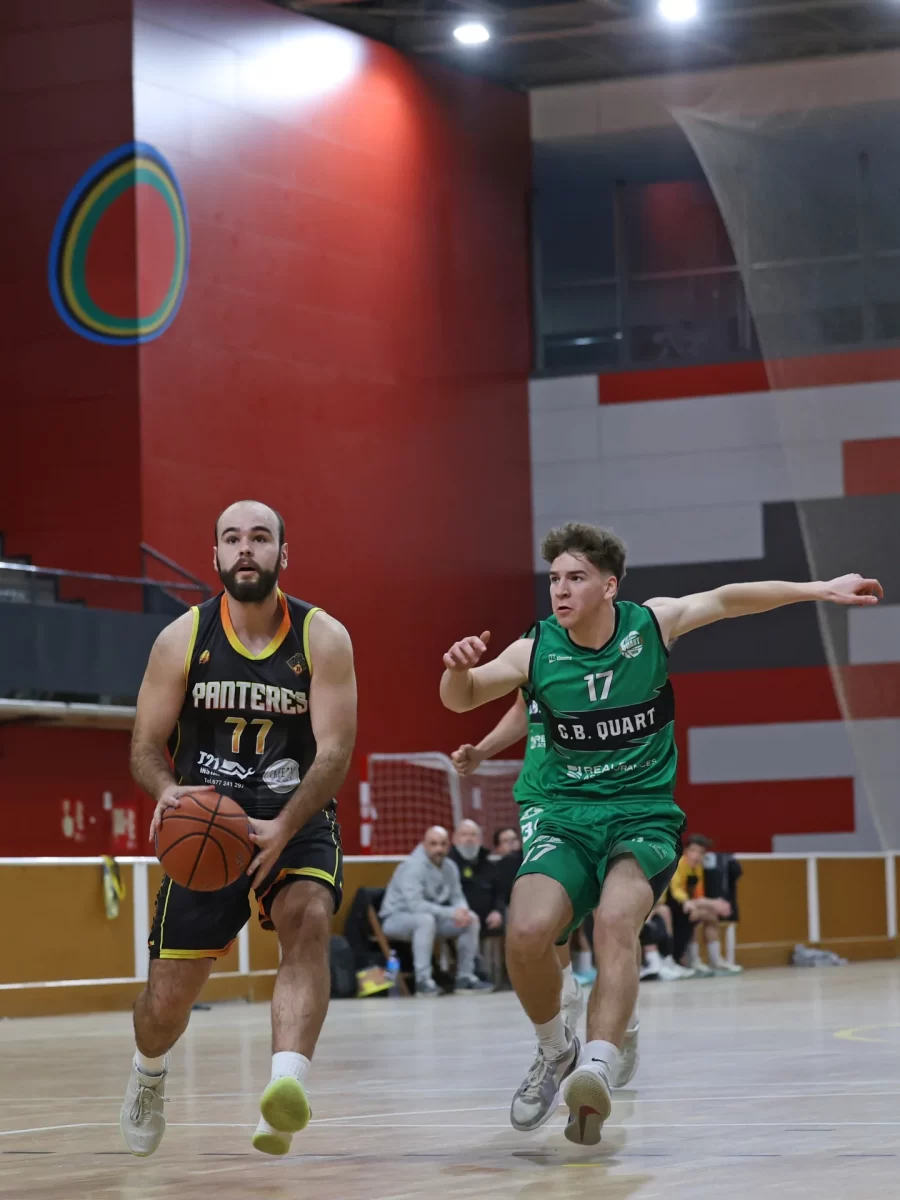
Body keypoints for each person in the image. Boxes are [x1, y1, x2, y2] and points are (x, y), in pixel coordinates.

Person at [440, 520, 882, 1145]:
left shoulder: (651, 625)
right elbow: (462, 698)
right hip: (562, 814)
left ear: (609, 586)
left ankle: (596, 1067)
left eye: (576, 578)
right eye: (555, 578)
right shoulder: (535, 649)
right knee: (528, 933)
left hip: (641, 814)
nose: (560, 589)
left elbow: (728, 598)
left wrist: (818, 589)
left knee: (615, 920)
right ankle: (556, 1049)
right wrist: (457, 671)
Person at [123, 500, 357, 1159]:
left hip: (295, 811)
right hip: (209, 821)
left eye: (259, 537)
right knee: (166, 1004)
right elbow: (144, 745)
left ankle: (286, 1087)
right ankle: (148, 1073)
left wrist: (285, 823)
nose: (245, 548)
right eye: (232, 538)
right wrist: (168, 793)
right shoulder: (181, 639)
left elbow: (336, 750)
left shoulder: (322, 638)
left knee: (309, 919)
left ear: (283, 554)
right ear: (216, 555)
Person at [379, 826, 493, 996]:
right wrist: (451, 913)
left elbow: (457, 897)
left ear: (448, 845)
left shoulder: (450, 867)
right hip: (396, 919)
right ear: (424, 845)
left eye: (443, 844)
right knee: (425, 920)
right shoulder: (412, 866)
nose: (438, 849)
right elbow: (415, 905)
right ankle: (423, 981)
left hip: (431, 919)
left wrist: (462, 912)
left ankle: (465, 978)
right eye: (433, 844)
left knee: (471, 919)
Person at [667, 834, 740, 976]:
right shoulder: (677, 864)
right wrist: (710, 903)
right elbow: (675, 891)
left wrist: (712, 904)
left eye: (701, 852)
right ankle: (693, 960)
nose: (697, 855)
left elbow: (698, 895)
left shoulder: (697, 869)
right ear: (685, 851)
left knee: (711, 915)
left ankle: (716, 960)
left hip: (688, 905)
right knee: (697, 915)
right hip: (673, 905)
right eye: (693, 850)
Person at [448, 820, 505, 934]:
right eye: (464, 834)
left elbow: (499, 894)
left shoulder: (490, 866)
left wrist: (498, 911)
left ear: (480, 840)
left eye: (473, 835)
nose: (469, 839)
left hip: (488, 922)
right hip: (457, 921)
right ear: (454, 839)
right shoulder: (447, 865)